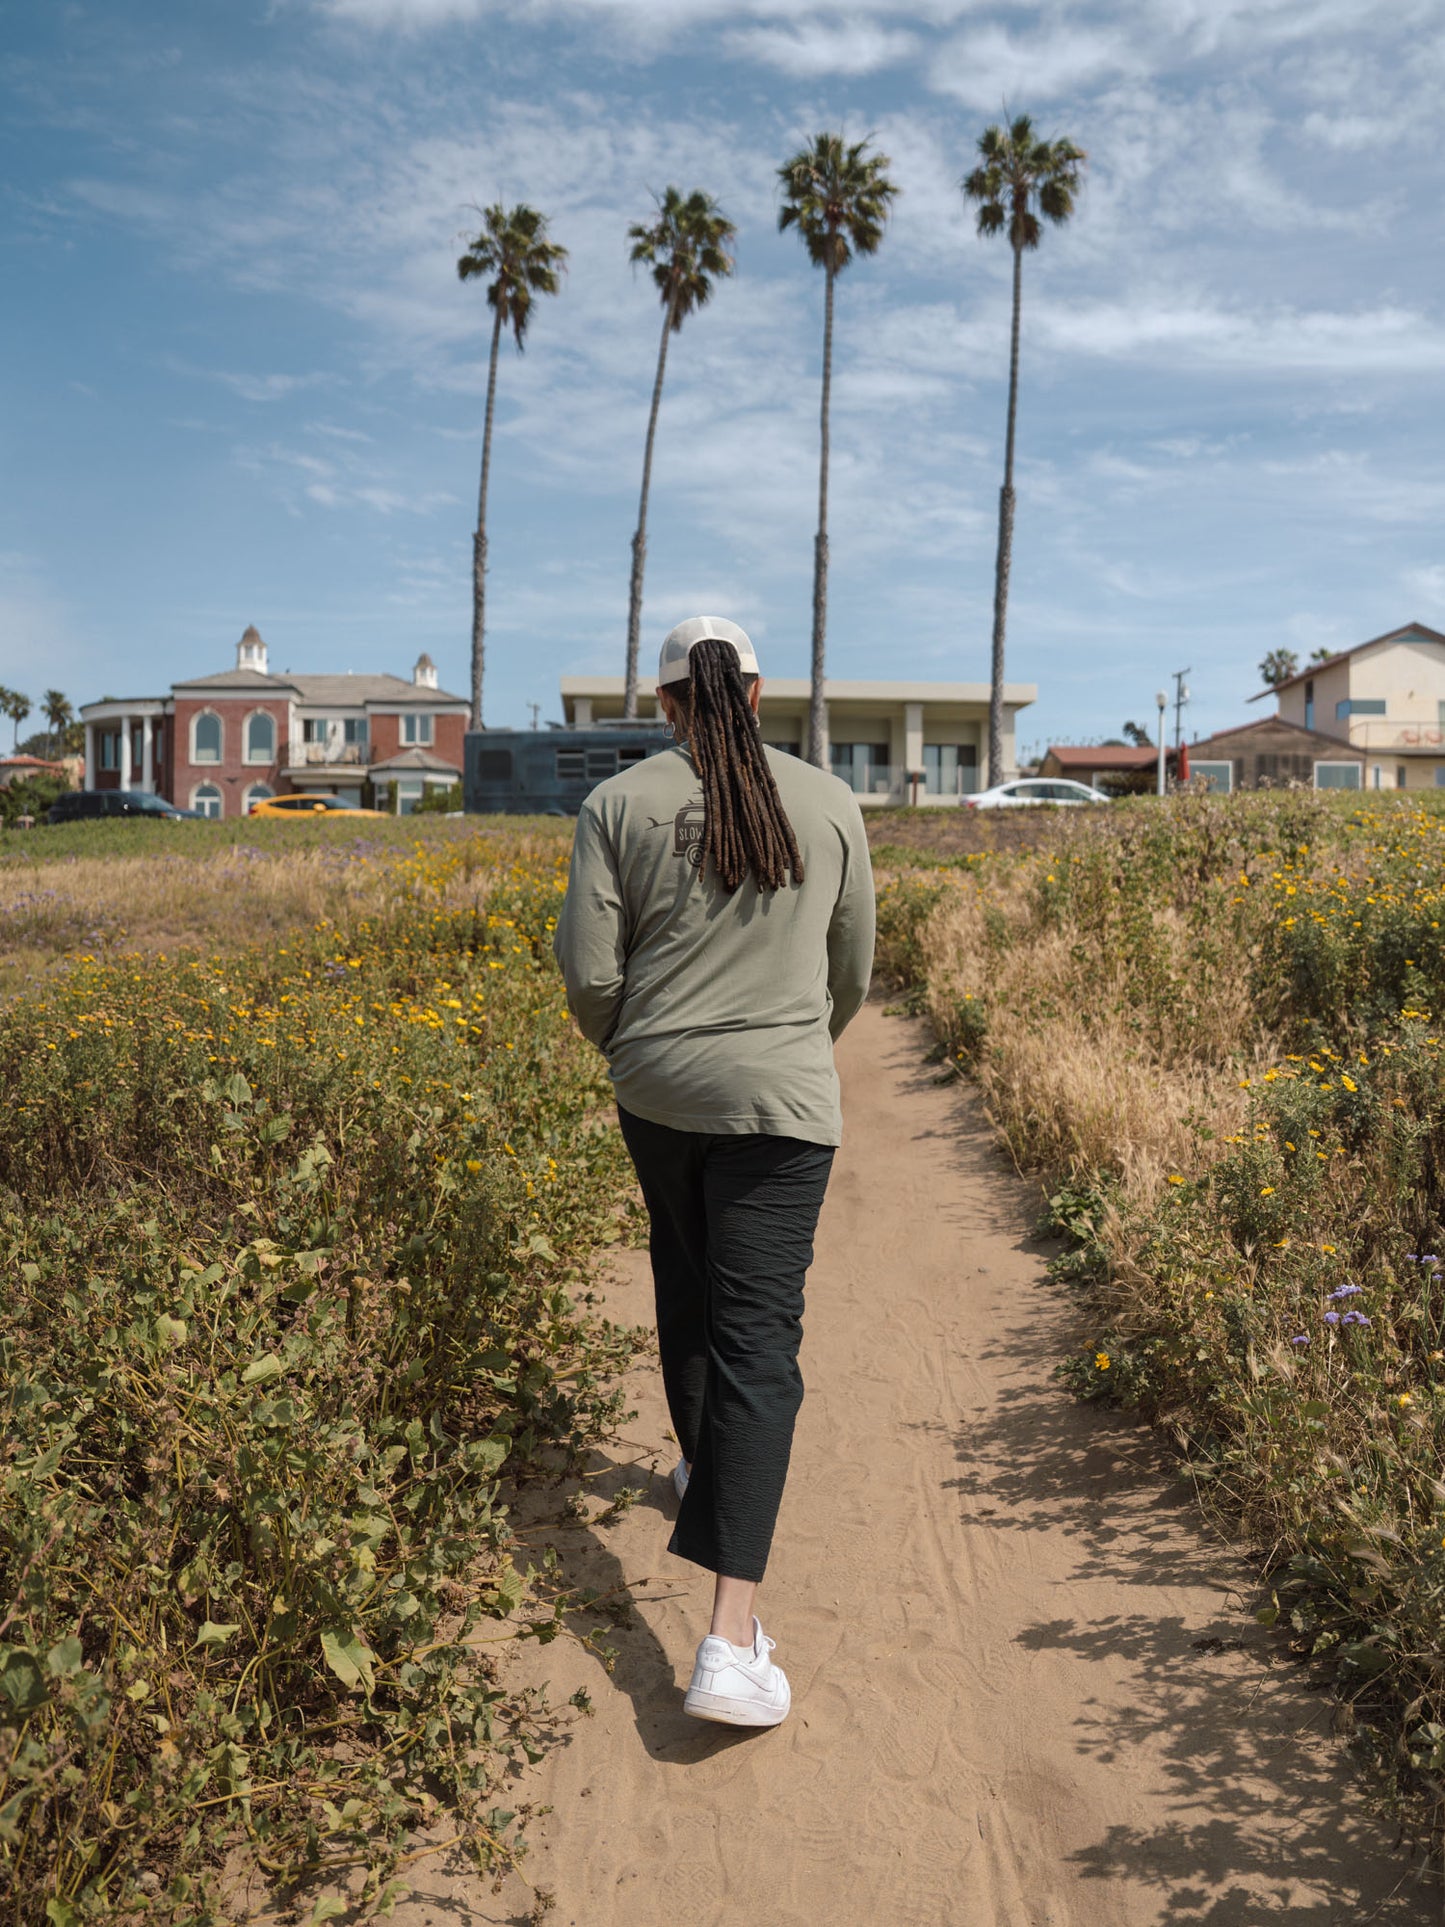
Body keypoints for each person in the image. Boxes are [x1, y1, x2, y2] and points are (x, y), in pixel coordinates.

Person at [554, 615, 875, 1727]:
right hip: (780, 1103)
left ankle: (701, 1468)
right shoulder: (828, 801)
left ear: (666, 703)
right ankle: (729, 1642)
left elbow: (592, 975)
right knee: (757, 1339)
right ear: (752, 691)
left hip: (656, 1095)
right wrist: (783, 1048)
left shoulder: (616, 804)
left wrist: (646, 1052)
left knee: (684, 1276)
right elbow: (852, 970)